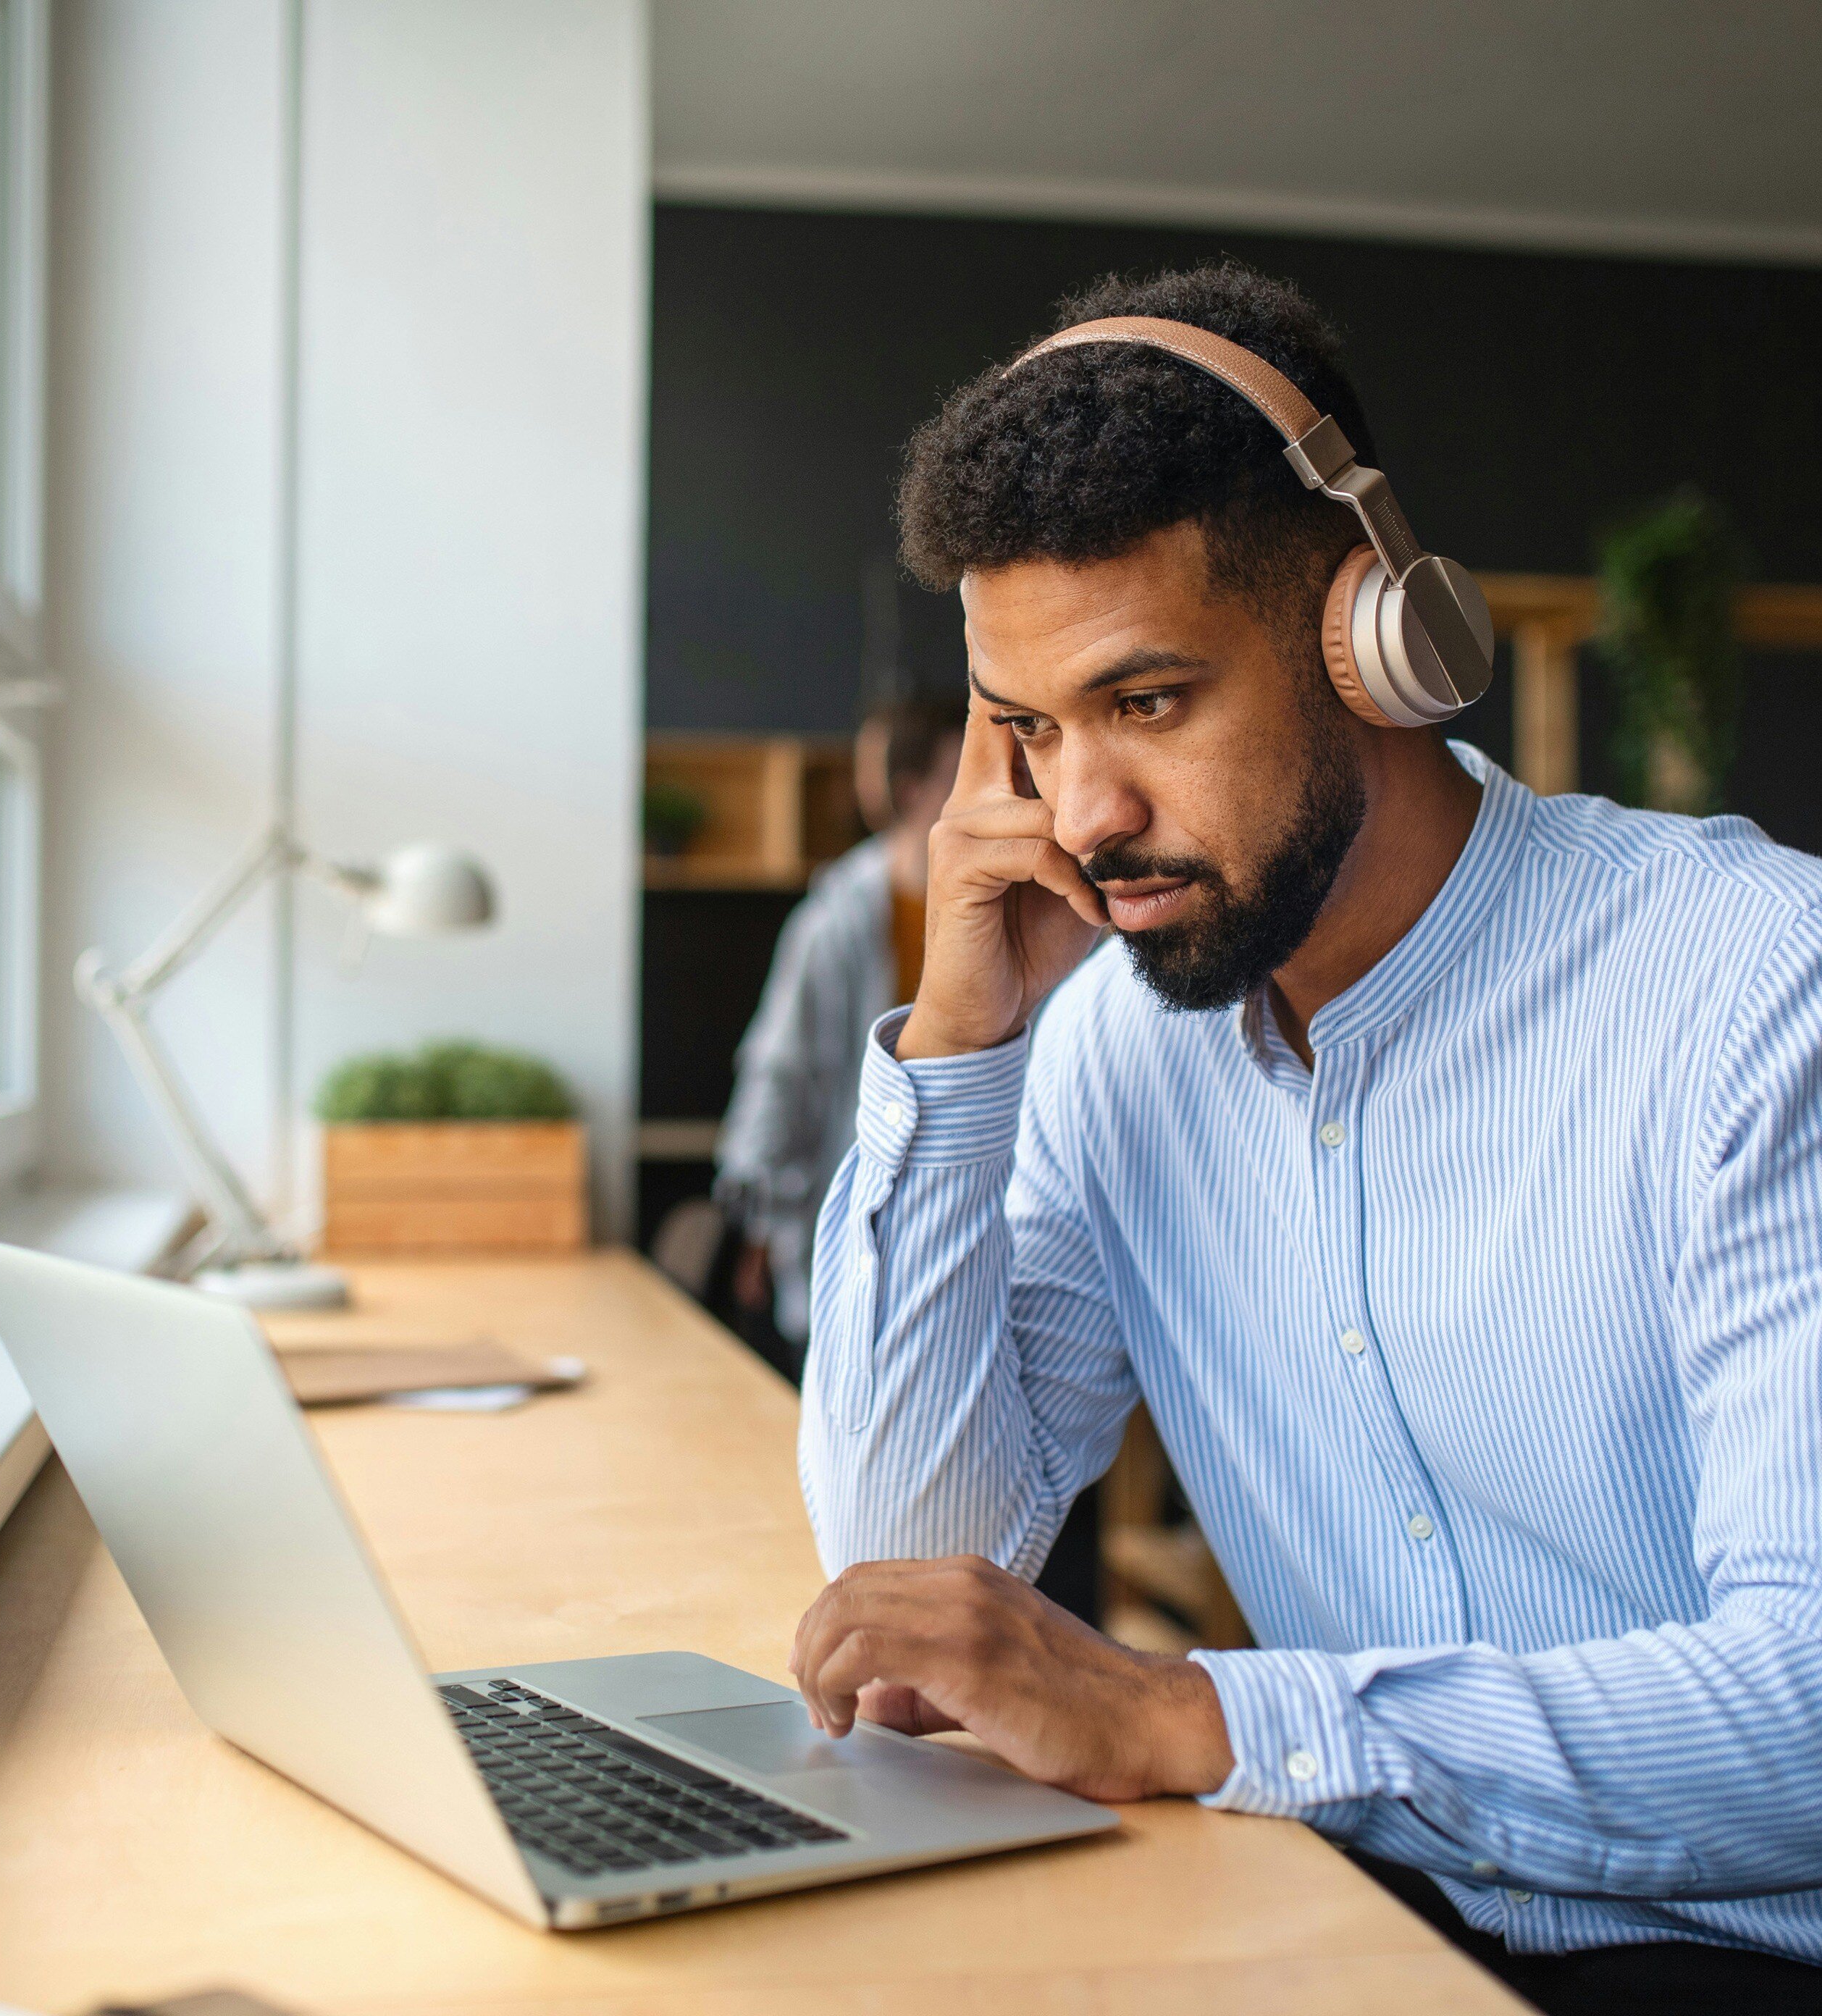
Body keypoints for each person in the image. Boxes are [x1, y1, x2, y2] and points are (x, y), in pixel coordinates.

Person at [791, 263, 1822, 2016]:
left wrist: (1188, 1710)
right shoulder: (1107, 1040)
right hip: (1366, 1917)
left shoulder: (1752, 987)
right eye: (1027, 733)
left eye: (1147, 700)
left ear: (1375, 640)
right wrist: (961, 1039)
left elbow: (1802, 1710)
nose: (1086, 816)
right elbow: (911, 1549)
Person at [714, 694, 966, 1370]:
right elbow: (782, 1067)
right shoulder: (840, 919)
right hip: (859, 1220)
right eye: (962, 772)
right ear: (913, 792)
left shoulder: (1034, 908)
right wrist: (760, 1226)